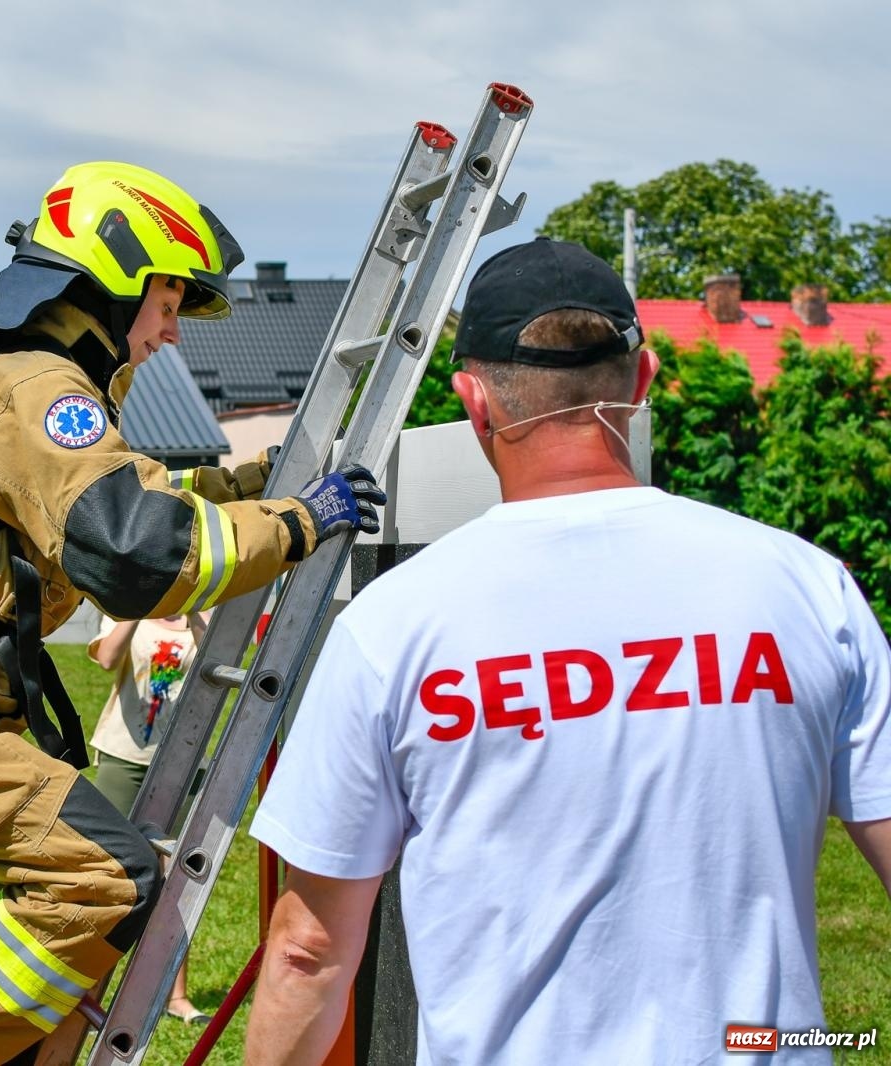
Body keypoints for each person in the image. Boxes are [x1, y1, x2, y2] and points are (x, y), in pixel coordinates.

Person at [243, 238, 891, 1064]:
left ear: (474, 402)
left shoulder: (392, 629)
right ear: (644, 380)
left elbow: (309, 952)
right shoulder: (807, 588)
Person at [0, 161, 386, 1066]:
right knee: (102, 878)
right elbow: (140, 550)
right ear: (115, 278)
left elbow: (138, 502)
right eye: (168, 301)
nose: (169, 331)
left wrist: (253, 484)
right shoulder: (41, 385)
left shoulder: (29, 386)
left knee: (10, 1010)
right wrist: (299, 520)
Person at [86, 610, 211, 1026]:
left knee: (175, 878)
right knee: (103, 872)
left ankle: (176, 995)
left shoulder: (201, 622)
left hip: (180, 761)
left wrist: (194, 606)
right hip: (123, 758)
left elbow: (215, 658)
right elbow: (106, 658)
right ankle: (85, 989)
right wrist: (138, 606)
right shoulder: (125, 613)